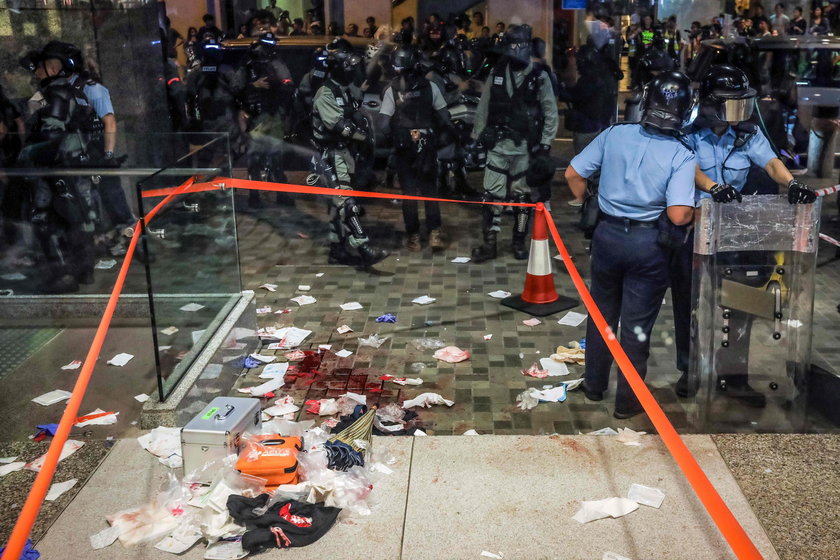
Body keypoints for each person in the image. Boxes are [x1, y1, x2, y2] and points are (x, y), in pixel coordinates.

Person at [671, 64, 817, 407]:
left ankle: (734, 376)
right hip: (693, 229)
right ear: (709, 102)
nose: (737, 110)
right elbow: (686, 167)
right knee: (689, 304)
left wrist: (792, 183)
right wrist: (712, 187)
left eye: (741, 103)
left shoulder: (747, 134)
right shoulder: (688, 133)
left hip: (735, 234)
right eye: (729, 102)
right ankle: (689, 370)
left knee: (739, 304)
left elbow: (770, 163)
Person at [565, 71, 697, 419]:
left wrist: (589, 201)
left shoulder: (614, 134)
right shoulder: (682, 154)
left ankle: (594, 386)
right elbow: (680, 214)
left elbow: (573, 175)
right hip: (648, 244)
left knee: (601, 315)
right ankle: (626, 403)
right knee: (636, 326)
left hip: (607, 238)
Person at [17, 44, 105, 293]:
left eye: (42, 68)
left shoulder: (57, 94)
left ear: (54, 68)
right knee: (78, 220)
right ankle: (83, 272)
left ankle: (64, 275)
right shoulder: (71, 91)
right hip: (73, 165)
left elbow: (51, 136)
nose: (36, 73)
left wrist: (27, 154)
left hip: (58, 167)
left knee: (47, 220)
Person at [468, 24, 558, 263]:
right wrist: (476, 139)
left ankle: (519, 241)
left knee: (522, 197)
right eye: (512, 44)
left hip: (525, 147)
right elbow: (484, 105)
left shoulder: (539, 75)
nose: (516, 49)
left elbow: (550, 111)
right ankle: (490, 243)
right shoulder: (497, 71)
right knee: (491, 196)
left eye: (521, 44)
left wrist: (546, 143)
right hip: (498, 144)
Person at [311, 38, 389, 269]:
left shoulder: (345, 90)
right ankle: (364, 248)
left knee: (337, 207)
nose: (351, 70)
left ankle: (337, 251)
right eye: (348, 66)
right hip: (329, 156)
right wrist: (364, 138)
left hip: (343, 155)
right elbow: (340, 127)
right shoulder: (325, 93)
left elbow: (358, 101)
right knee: (347, 203)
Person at [378, 44, 451, 252]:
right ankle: (435, 233)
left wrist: (398, 136)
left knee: (409, 193)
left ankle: (414, 237)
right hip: (427, 146)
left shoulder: (392, 89)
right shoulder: (431, 87)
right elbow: (445, 117)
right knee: (429, 190)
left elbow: (383, 124)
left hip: (404, 147)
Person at [234, 32, 294, 208]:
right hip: (255, 117)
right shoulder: (247, 66)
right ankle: (254, 196)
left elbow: (289, 86)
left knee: (276, 158)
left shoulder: (277, 63)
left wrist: (278, 88)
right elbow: (235, 90)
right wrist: (254, 85)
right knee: (255, 159)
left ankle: (281, 194)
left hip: (273, 115)